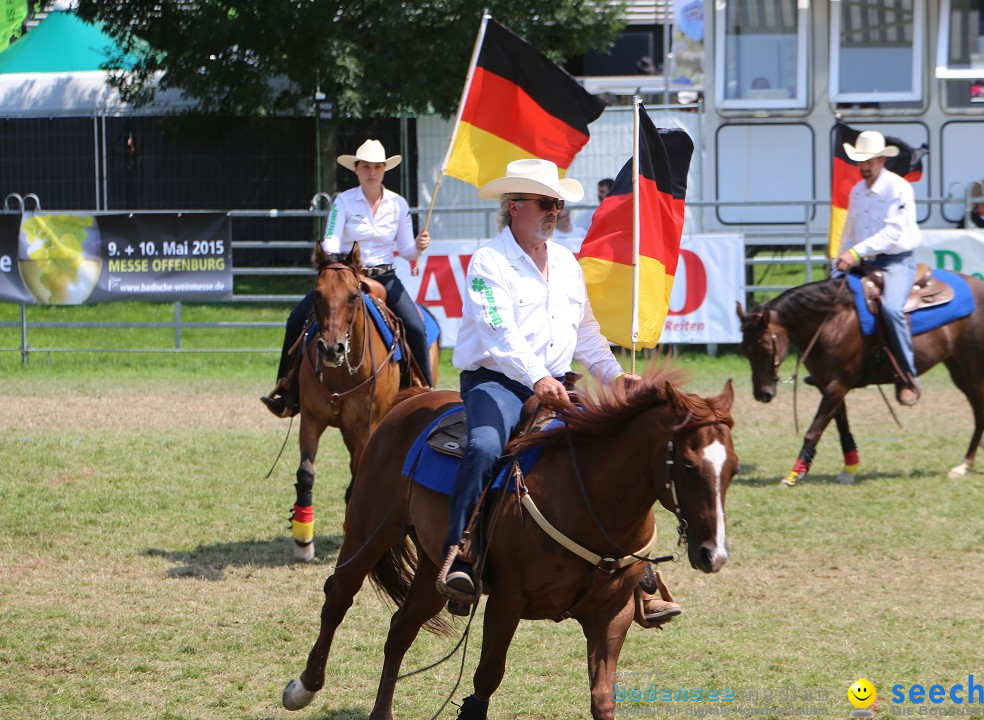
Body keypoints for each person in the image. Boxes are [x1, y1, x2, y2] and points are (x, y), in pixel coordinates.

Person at [437, 158, 681, 625]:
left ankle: (639, 572)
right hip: (498, 381)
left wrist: (612, 376)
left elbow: (585, 331)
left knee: (621, 447)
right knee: (486, 445)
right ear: (514, 206)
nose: (555, 211)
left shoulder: (567, 263)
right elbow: (498, 334)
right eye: (546, 203)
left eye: (558, 203)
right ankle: (460, 551)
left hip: (556, 382)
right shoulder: (489, 261)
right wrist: (538, 378)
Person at [261, 139, 433, 417]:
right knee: (296, 319)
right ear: (356, 169)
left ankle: (424, 389)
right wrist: (330, 259)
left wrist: (419, 245)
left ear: (385, 169)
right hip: (346, 274)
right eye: (366, 166)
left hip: (385, 276)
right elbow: (331, 237)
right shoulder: (343, 201)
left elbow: (407, 250)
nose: (372, 172)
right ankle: (286, 388)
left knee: (415, 327)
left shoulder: (398, 204)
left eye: (377, 166)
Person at [834, 131, 922, 407]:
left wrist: (854, 252)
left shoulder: (898, 188)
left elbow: (892, 232)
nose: (863, 166)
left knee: (892, 309)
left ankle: (908, 376)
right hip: (866, 262)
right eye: (860, 161)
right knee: (834, 301)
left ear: (882, 159)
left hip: (897, 261)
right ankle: (837, 368)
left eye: (869, 160)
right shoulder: (857, 191)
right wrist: (839, 261)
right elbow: (850, 231)